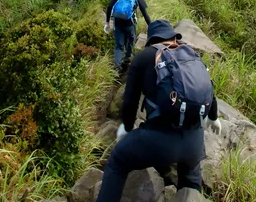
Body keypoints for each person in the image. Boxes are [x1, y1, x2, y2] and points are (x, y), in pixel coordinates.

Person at [95, 20, 221, 202]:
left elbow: (130, 101)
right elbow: (208, 88)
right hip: (193, 143)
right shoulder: (191, 54)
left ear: (151, 39)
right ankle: (191, 191)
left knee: (118, 160)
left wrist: (127, 127)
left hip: (159, 141)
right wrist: (213, 117)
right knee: (191, 176)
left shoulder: (145, 57)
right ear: (173, 36)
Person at [104, 0, 152, 70]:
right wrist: (151, 26)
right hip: (130, 24)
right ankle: (126, 60)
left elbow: (110, 6)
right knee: (131, 40)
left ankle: (117, 68)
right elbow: (145, 15)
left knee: (119, 46)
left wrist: (107, 22)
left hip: (117, 22)